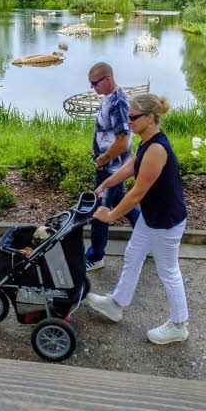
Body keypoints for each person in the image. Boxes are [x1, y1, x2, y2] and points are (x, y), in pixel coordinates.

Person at [85, 93, 189, 344]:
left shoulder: (156, 148)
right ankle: (116, 303)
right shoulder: (146, 141)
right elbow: (131, 167)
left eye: (133, 117)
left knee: (168, 271)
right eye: (128, 116)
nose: (128, 120)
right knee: (133, 255)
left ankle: (178, 325)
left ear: (151, 118)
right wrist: (106, 184)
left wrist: (110, 215)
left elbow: (137, 192)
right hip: (152, 215)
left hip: (165, 219)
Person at [85, 62, 140, 271]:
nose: (92, 88)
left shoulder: (118, 103)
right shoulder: (109, 98)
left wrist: (102, 159)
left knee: (99, 211)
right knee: (123, 202)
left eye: (94, 83)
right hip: (110, 166)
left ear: (107, 79)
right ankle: (148, 238)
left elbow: (122, 142)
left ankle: (96, 256)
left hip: (111, 169)